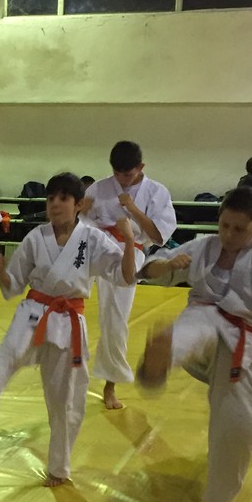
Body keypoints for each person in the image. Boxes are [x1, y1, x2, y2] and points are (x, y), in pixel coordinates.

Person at [0, 173, 137, 487]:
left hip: (69, 320)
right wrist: (2, 275)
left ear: (78, 205)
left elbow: (123, 275)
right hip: (34, 310)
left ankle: (59, 467)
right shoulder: (35, 237)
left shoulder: (92, 239)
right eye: (51, 198)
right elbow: (15, 283)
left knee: (64, 395)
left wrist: (130, 241)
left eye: (63, 198)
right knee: (9, 352)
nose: (55, 204)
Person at [136, 186, 252, 502]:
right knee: (191, 329)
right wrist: (167, 265)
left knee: (239, 421)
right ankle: (159, 361)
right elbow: (148, 269)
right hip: (203, 315)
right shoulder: (204, 245)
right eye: (224, 225)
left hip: (242, 336)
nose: (228, 234)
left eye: (240, 229)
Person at [80, 139, 176, 410]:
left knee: (115, 317)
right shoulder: (99, 188)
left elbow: (158, 236)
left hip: (130, 252)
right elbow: (82, 222)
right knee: (63, 298)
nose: (122, 179)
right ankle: (67, 366)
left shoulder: (156, 192)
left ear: (141, 167)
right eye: (117, 173)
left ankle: (110, 383)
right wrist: (80, 211)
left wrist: (133, 210)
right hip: (96, 248)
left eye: (128, 174)